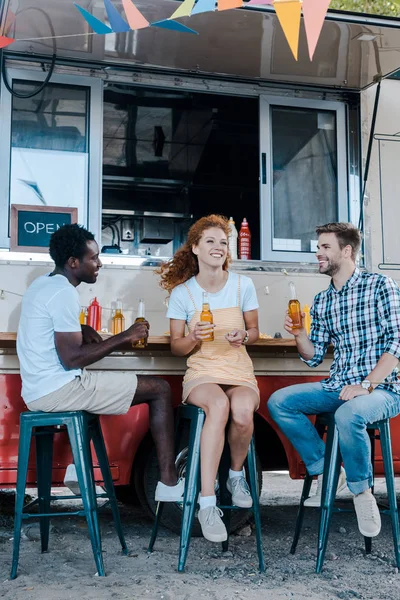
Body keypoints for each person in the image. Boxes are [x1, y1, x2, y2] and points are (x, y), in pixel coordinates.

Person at [16, 224, 183, 503]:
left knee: (103, 387)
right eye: (93, 258)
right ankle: (168, 481)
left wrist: (79, 326)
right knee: (161, 389)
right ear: (73, 262)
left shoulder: (43, 284)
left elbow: (49, 328)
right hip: (58, 390)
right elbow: (72, 360)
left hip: (37, 390)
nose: (100, 264)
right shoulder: (63, 292)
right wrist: (124, 336)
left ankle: (76, 467)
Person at [268, 222, 400, 538]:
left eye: (325, 247)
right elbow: (313, 356)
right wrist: (299, 334)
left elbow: (398, 342)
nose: (318, 254)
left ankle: (362, 492)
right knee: (280, 402)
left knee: (348, 413)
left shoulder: (381, 285)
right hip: (338, 384)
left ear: (346, 250)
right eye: (318, 248)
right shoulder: (324, 300)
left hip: (382, 389)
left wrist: (366, 385)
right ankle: (326, 471)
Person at [157, 215, 260, 543]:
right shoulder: (182, 293)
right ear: (196, 248)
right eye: (211, 241)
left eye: (223, 242)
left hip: (238, 368)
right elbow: (177, 348)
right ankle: (207, 503)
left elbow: (255, 331)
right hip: (201, 371)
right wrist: (193, 337)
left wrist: (244, 334)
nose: (218, 247)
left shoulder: (243, 285)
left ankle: (234, 475)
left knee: (242, 411)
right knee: (218, 405)